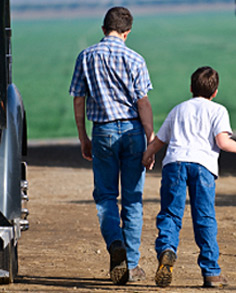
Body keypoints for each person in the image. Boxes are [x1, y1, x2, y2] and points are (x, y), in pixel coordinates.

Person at [142, 66, 236, 288]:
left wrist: (147, 155)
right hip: (203, 167)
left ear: (191, 88)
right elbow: (222, 142)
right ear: (215, 92)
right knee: (204, 217)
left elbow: (160, 141)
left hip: (174, 163)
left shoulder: (178, 110)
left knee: (170, 214)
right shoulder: (218, 110)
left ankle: (167, 250)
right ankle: (211, 272)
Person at [69, 7, 153, 285]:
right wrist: (150, 138)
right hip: (132, 130)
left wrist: (83, 136)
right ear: (127, 32)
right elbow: (142, 102)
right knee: (133, 200)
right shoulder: (135, 58)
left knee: (105, 196)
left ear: (103, 29)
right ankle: (131, 263)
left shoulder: (86, 56)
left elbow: (79, 99)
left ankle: (114, 241)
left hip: (102, 131)